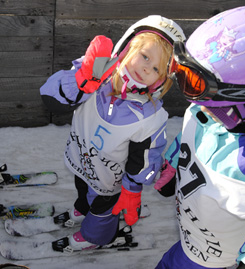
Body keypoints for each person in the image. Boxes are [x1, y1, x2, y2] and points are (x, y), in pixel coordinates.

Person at [154, 5, 245, 269]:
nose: (194, 100)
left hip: (212, 257)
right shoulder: (208, 108)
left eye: (198, 87)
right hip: (190, 238)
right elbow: (190, 136)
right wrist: (173, 163)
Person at [40, 15, 186, 252]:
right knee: (82, 187)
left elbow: (143, 159)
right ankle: (83, 208)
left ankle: (96, 235)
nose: (147, 67)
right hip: (81, 160)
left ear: (163, 79)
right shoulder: (95, 74)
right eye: (145, 56)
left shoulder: (150, 117)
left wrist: (131, 190)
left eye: (157, 68)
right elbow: (52, 99)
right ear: (128, 48)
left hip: (110, 181)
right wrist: (81, 80)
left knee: (102, 208)